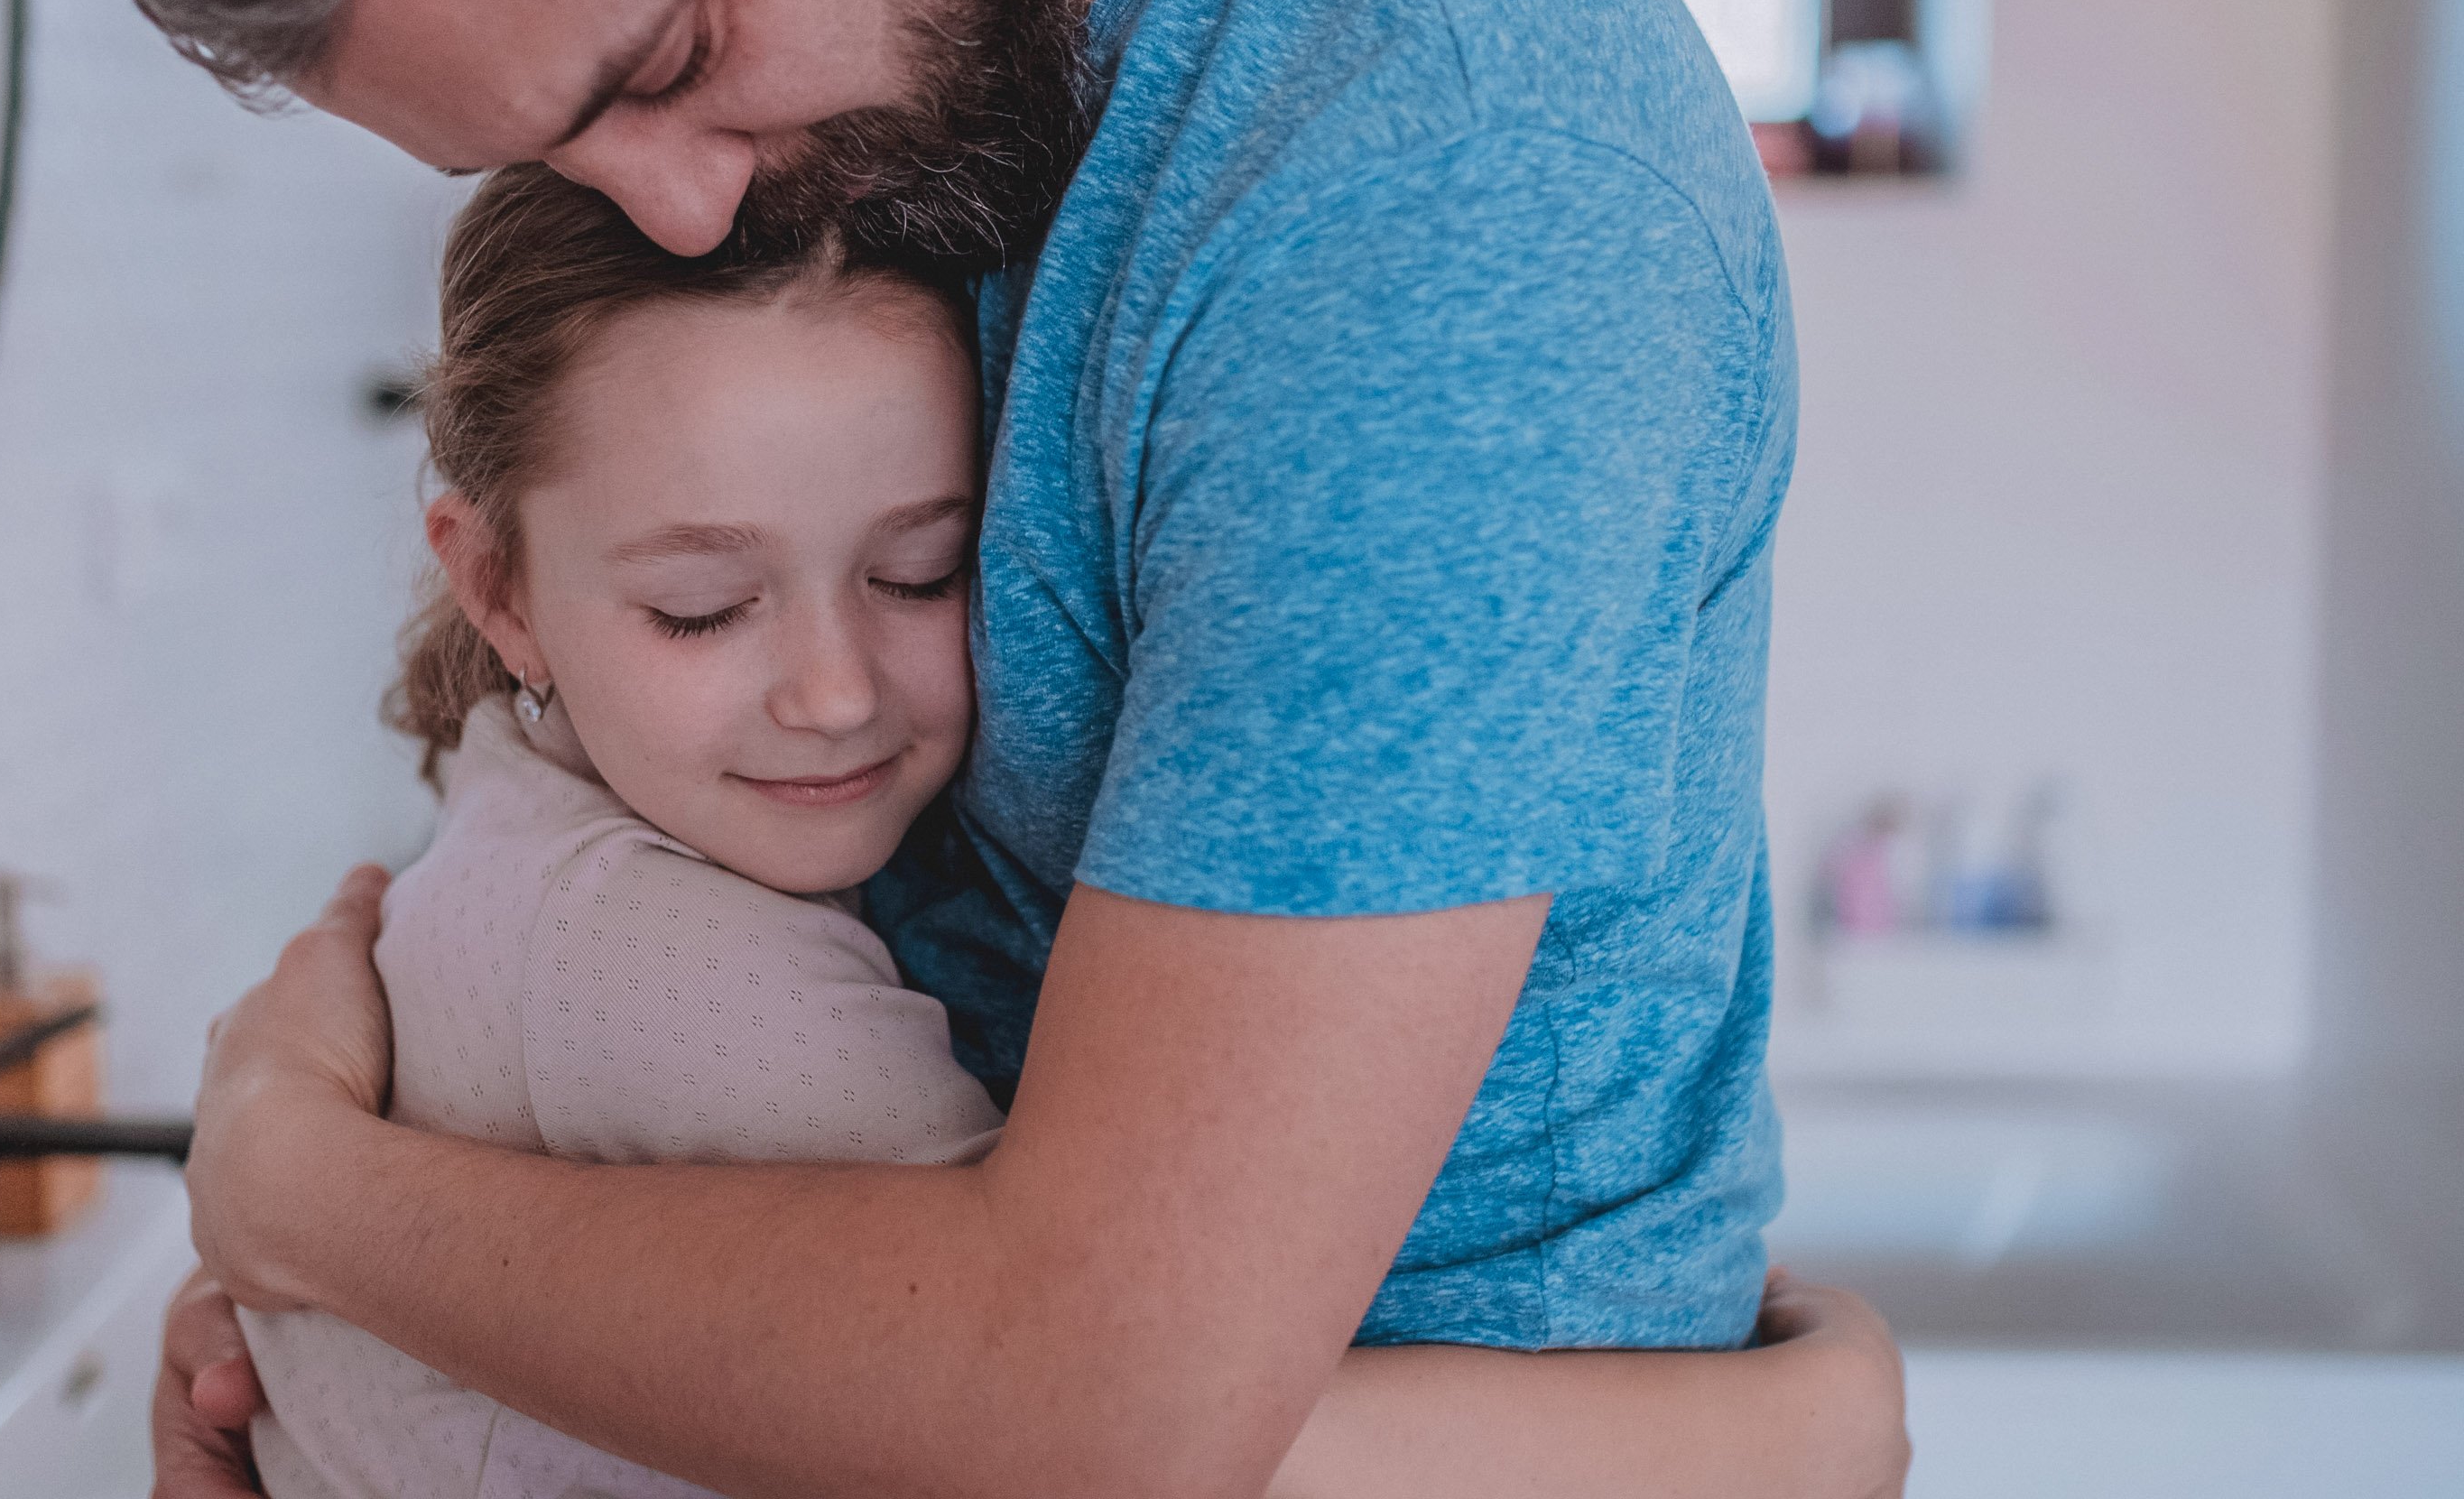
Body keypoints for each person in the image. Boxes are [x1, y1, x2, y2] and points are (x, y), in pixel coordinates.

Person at [43, 0, 1912, 1494]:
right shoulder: (939, 118)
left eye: (672, 57)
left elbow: (1091, 1416)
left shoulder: (1435, 200)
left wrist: (316, 1204)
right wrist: (421, 1364)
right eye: (544, 153)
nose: (677, 218)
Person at [244, 166, 1892, 1499]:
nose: (830, 691)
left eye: (919, 574)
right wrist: (1799, 1439)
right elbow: (1077, 1437)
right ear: (496, 584)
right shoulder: (690, 973)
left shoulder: (513, 813)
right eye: (701, 607)